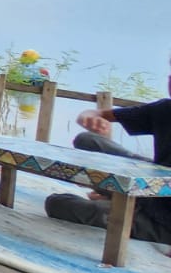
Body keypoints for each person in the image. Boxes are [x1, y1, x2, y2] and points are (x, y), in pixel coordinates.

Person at [45, 59, 171, 243]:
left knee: (57, 204)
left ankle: (117, 199)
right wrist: (90, 117)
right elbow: (98, 114)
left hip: (163, 222)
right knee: (87, 140)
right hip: (148, 185)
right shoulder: (164, 109)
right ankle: (116, 194)